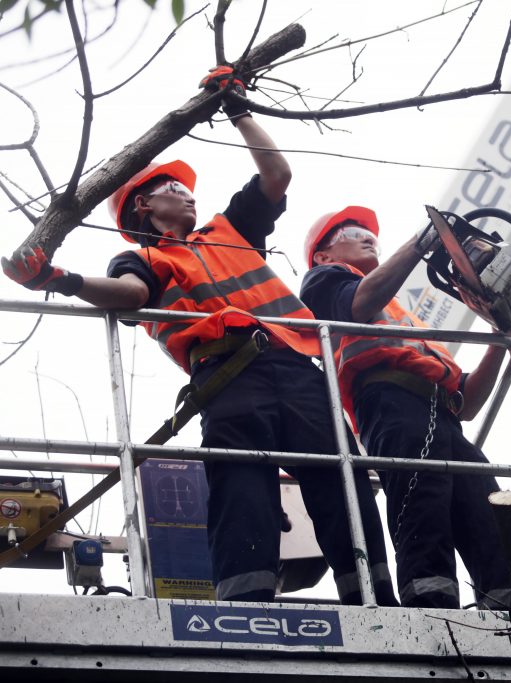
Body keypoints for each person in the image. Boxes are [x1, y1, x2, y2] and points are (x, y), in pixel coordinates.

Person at [1, 68, 398, 607]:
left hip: (296, 366)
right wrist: (59, 279)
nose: (187, 195)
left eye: (188, 189)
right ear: (143, 206)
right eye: (173, 188)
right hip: (227, 376)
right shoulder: (146, 258)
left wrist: (237, 107)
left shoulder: (230, 231)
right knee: (241, 487)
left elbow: (276, 173)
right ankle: (247, 604)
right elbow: (126, 293)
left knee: (339, 478)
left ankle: (373, 598)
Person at [299, 206, 511, 610]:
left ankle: (510, 608)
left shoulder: (403, 316)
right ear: (323, 255)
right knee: (422, 504)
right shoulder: (324, 282)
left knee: (485, 510)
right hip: (390, 404)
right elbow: (358, 305)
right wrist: (420, 244)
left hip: (443, 416)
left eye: (370, 231)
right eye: (351, 231)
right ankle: (432, 607)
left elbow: (466, 401)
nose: (367, 236)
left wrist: (502, 335)